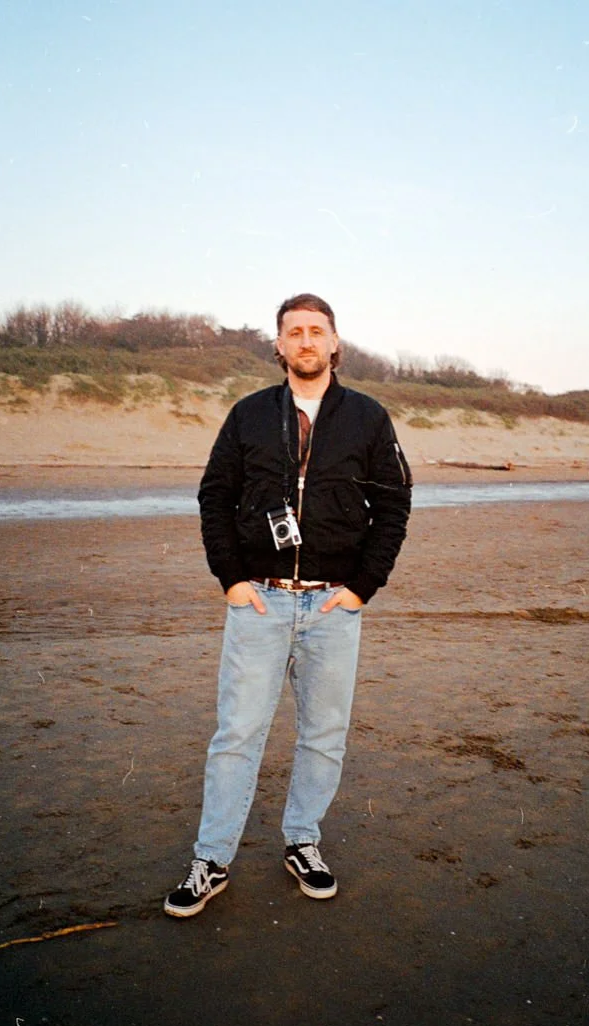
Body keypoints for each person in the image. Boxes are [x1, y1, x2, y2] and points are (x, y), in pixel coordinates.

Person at [164, 293, 412, 917]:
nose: (305, 341)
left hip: (333, 606)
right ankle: (211, 859)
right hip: (260, 604)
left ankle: (303, 841)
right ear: (277, 345)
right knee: (237, 736)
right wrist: (232, 581)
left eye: (316, 331)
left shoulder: (368, 418)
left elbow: (394, 508)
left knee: (324, 735)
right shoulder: (248, 415)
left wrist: (360, 589)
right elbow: (214, 497)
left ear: (334, 343)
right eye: (293, 331)